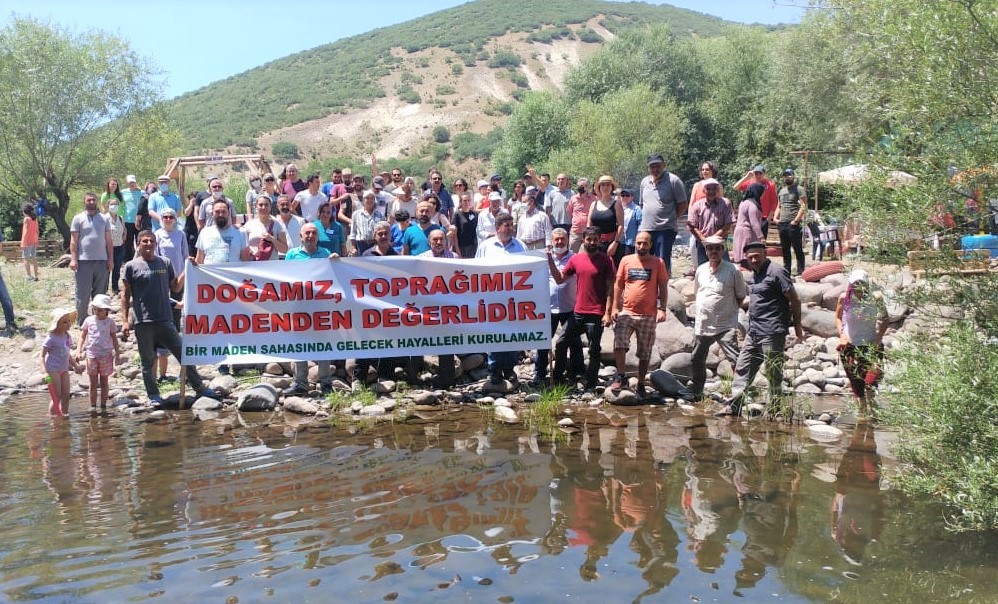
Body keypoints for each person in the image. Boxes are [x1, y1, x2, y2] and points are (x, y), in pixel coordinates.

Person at [122, 230, 216, 404]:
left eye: (151, 241)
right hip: (143, 322)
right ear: (138, 244)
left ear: (156, 244)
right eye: (145, 241)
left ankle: (200, 388)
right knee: (147, 361)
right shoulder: (131, 266)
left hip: (165, 319)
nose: (148, 244)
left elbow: (175, 287)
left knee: (184, 355)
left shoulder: (164, 262)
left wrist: (187, 269)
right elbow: (125, 296)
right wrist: (124, 321)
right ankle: (153, 396)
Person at [715, 241, 803, 417]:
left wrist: (798, 327)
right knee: (743, 367)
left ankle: (775, 409)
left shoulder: (776, 272)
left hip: (772, 331)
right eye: (750, 257)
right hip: (754, 331)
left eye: (756, 256)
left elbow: (795, 300)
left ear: (765, 254)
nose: (753, 260)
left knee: (773, 371)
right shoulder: (754, 274)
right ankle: (735, 405)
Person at [548, 226, 616, 389]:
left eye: (595, 240)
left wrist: (608, 312)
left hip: (596, 313)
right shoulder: (576, 259)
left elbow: (610, 288)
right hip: (578, 312)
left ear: (599, 240)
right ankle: (558, 380)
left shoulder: (606, 260)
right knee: (561, 342)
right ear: (583, 240)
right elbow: (559, 280)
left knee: (594, 349)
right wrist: (550, 260)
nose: (592, 242)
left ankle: (590, 383)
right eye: (588, 239)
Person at [608, 231, 669, 400]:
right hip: (627, 311)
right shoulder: (626, 260)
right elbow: (618, 285)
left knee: (645, 352)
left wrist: (662, 308)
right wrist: (614, 308)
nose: (642, 246)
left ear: (650, 245)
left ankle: (641, 383)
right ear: (635, 243)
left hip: (648, 314)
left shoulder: (658, 263)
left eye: (645, 243)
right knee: (619, 342)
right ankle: (621, 376)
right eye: (639, 243)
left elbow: (663, 287)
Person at [690, 235, 747, 400]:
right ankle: (696, 391)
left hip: (725, 324)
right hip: (703, 323)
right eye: (710, 248)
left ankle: (740, 393)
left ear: (723, 250)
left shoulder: (733, 270)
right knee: (696, 358)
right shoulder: (700, 269)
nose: (713, 251)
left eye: (717, 248)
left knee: (735, 359)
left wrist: (729, 311)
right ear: (706, 250)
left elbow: (741, 296)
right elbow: (697, 293)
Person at [282, 222, 336, 396]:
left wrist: (336, 262)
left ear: (318, 236)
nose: (311, 236)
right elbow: (283, 278)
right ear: (300, 236)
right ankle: (300, 383)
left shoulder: (326, 254)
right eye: (307, 233)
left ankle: (326, 382)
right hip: (299, 306)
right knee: (299, 344)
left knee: (323, 344)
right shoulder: (291, 254)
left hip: (320, 307)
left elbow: (333, 276)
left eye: (314, 233)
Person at [477, 213, 528, 385]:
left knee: (511, 333)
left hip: (514, 298)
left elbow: (529, 269)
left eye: (511, 224)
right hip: (492, 298)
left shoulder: (520, 246)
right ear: (497, 228)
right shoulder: (485, 246)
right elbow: (476, 271)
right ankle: (495, 370)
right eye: (505, 225)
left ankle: (509, 368)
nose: (509, 228)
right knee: (494, 333)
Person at [835, 269, 888, 417]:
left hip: (871, 345)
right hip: (850, 346)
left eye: (861, 283)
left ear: (867, 284)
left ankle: (873, 408)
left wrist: (878, 337)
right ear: (850, 283)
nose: (858, 286)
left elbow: (885, 319)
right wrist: (842, 335)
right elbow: (838, 318)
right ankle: (862, 413)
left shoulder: (876, 298)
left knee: (871, 380)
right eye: (855, 283)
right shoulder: (844, 298)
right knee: (856, 382)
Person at [533, 228, 582, 386]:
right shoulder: (541, 259)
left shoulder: (575, 258)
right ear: (552, 241)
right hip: (548, 308)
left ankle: (576, 372)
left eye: (562, 239)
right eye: (556, 239)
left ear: (568, 240)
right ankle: (539, 373)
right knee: (543, 342)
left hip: (570, 307)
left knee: (574, 342)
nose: (560, 242)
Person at [153, 207, 189, 382]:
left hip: (178, 278)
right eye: (165, 217)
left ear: (175, 219)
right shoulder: (157, 234)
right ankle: (161, 367)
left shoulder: (180, 235)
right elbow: (155, 255)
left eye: (171, 217)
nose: (168, 219)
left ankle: (181, 366)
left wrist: (183, 276)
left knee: (176, 315)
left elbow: (185, 256)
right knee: (163, 311)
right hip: (161, 277)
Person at [639, 154, 688, 273]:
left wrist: (672, 217)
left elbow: (683, 204)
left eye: (658, 166)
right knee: (644, 260)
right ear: (648, 168)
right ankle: (647, 287)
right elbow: (642, 204)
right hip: (646, 228)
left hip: (665, 229)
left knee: (662, 261)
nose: (655, 169)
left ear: (664, 165)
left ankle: (663, 288)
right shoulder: (644, 182)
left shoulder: (674, 180)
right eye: (652, 167)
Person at [69, 192, 113, 325]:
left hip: (102, 261)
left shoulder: (104, 219)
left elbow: (109, 241)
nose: (91, 202)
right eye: (89, 200)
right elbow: (73, 241)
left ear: (97, 201)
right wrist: (73, 259)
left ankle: (98, 320)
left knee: (100, 293)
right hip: (83, 261)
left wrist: (111, 259)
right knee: (83, 293)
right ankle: (82, 321)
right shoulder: (78, 218)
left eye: (94, 199)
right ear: (85, 202)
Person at [75, 294, 121, 412]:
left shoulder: (110, 322)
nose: (96, 312)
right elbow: (82, 336)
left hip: (106, 355)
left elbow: (114, 338)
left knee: (104, 381)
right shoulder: (89, 320)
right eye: (95, 309)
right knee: (93, 382)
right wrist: (78, 350)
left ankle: (103, 405)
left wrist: (118, 354)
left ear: (107, 310)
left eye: (100, 310)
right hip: (91, 355)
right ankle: (93, 405)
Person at [42, 308, 81, 416]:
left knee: (66, 395)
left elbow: (67, 354)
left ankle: (64, 416)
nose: (68, 324)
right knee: (57, 396)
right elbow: (41, 357)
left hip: (64, 369)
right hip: (53, 369)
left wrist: (75, 365)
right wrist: (44, 372)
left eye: (69, 321)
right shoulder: (51, 338)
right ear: (56, 324)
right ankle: (52, 418)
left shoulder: (67, 336)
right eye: (64, 322)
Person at [687, 178, 735, 266]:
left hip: (720, 243)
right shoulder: (697, 205)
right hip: (702, 243)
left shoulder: (726, 203)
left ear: (718, 190)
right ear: (704, 191)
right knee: (703, 269)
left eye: (714, 189)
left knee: (725, 268)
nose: (711, 191)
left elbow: (728, 223)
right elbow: (692, 226)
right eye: (708, 189)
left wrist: (714, 238)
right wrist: (705, 240)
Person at [195, 199, 251, 265]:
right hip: (209, 275)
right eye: (217, 212)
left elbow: (246, 262)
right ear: (212, 214)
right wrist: (192, 263)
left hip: (232, 275)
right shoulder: (204, 233)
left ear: (229, 213)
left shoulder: (241, 233)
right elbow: (199, 261)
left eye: (224, 212)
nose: (221, 215)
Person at [775, 168, 808, 277]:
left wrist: (796, 220)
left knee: (797, 247)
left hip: (793, 223)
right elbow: (779, 206)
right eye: (785, 175)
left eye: (789, 175)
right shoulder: (781, 190)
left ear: (793, 176)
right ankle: (787, 271)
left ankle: (801, 271)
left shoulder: (799, 189)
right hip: (782, 223)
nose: (787, 177)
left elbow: (803, 206)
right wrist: (775, 218)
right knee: (785, 249)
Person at [734, 165, 778, 237]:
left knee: (761, 242)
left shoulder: (770, 185)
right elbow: (735, 187)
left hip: (763, 217)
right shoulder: (750, 183)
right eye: (756, 173)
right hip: (749, 217)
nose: (758, 175)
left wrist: (769, 218)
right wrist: (746, 177)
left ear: (764, 174)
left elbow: (774, 202)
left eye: (760, 173)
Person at [588, 175, 625, 261]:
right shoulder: (593, 204)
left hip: (611, 244)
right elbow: (589, 225)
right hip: (595, 245)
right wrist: (590, 243)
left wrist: (615, 243)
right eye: (603, 185)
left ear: (612, 187)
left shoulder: (617, 204)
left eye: (608, 185)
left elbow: (621, 226)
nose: (605, 187)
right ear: (599, 187)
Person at [242, 195, 289, 261]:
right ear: (256, 207)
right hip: (254, 264)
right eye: (260, 205)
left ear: (270, 207)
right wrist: (250, 252)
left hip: (271, 265)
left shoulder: (278, 225)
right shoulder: (249, 225)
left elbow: (285, 250)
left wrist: (272, 239)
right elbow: (242, 245)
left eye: (266, 205)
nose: (263, 207)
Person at [731, 183, 765, 266]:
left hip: (739, 231)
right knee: (747, 255)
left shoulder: (743, 202)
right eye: (762, 192)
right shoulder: (752, 205)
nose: (763, 194)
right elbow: (754, 222)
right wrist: (761, 236)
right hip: (747, 233)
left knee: (740, 254)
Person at [350, 190, 384, 256]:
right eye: (367, 198)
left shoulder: (380, 215)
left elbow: (382, 232)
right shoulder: (356, 214)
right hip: (360, 245)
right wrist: (353, 248)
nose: (370, 200)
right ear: (363, 200)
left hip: (374, 244)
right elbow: (353, 233)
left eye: (372, 198)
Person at [104, 196, 126, 294]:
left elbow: (124, 229)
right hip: (107, 248)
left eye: (116, 204)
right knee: (107, 269)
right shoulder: (104, 218)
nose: (114, 206)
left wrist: (124, 235)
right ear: (108, 206)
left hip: (119, 246)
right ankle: (103, 289)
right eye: (112, 204)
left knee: (117, 268)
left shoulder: (120, 218)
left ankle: (115, 288)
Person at [566, 177, 594, 252]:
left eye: (584, 186)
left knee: (588, 252)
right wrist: (576, 220)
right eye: (580, 186)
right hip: (576, 231)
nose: (582, 188)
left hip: (589, 231)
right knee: (573, 252)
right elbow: (569, 212)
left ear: (588, 187)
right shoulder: (573, 198)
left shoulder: (593, 199)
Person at [120, 175, 143, 263]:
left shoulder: (141, 192)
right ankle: (127, 261)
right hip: (127, 220)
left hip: (139, 221)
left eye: (133, 182)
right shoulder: (123, 192)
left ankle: (140, 259)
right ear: (127, 183)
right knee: (127, 242)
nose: (132, 184)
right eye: (130, 183)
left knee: (139, 240)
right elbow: (120, 206)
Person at [452, 193, 479, 258]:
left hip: (474, 246)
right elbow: (454, 234)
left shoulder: (474, 214)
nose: (466, 202)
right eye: (464, 200)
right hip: (462, 247)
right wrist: (457, 250)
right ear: (460, 202)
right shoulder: (457, 214)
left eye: (468, 200)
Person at [618, 189, 642, 259]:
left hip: (630, 242)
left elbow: (640, 225)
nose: (625, 197)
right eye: (623, 195)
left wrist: (638, 239)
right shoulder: (618, 207)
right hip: (619, 241)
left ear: (632, 197)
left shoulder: (637, 209)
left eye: (627, 195)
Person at [21, 202, 39, 281]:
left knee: (26, 258)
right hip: (34, 241)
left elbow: (26, 232)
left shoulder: (26, 219)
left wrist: (23, 243)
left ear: (25, 211)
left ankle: (28, 276)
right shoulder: (34, 219)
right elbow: (37, 231)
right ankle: (36, 276)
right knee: (34, 258)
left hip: (28, 242)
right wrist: (36, 240)